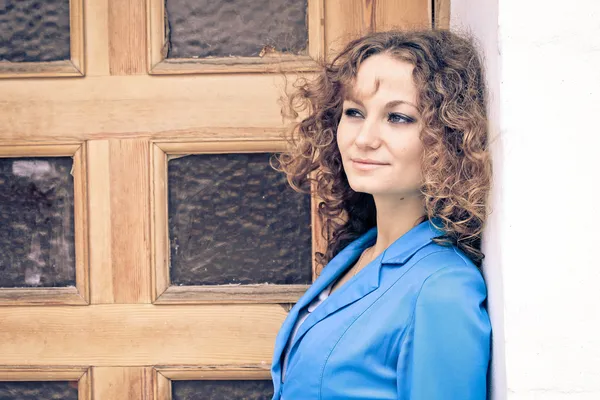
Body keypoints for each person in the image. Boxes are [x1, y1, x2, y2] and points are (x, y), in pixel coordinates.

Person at [270, 29, 492, 400]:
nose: (364, 138)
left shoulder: (441, 289)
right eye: (354, 112)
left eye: (399, 118)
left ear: (449, 135)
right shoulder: (358, 254)